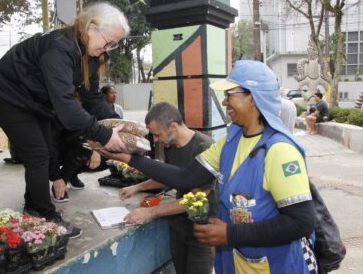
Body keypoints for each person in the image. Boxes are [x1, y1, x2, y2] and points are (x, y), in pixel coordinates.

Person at [99, 60, 316, 274]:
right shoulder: (231, 142)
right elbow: (185, 177)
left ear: (253, 97)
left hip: (279, 265)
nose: (225, 103)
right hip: (239, 263)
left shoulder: (279, 151)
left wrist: (231, 234)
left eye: (230, 95)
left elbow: (301, 222)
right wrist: (129, 158)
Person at [0, 2, 130, 224]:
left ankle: (33, 206)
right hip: (7, 96)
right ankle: (46, 215)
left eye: (114, 45)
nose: (108, 49)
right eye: (108, 42)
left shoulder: (91, 54)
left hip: (37, 100)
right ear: (91, 28)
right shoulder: (59, 48)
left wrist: (120, 125)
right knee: (37, 154)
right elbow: (68, 110)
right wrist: (105, 135)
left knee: (42, 152)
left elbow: (91, 97)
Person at [119, 102, 215, 274]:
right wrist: (137, 187)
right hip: (178, 226)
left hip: (201, 232)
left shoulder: (204, 148)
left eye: (157, 134)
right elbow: (169, 178)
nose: (155, 140)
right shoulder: (171, 147)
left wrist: (151, 212)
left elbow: (194, 199)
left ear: (173, 126)